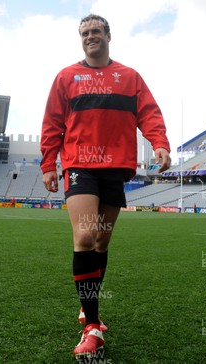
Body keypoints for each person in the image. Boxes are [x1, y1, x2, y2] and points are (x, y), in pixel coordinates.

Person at [40, 14, 171, 359]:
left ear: (108, 36)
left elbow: (149, 113)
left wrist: (159, 142)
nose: (90, 36)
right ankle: (92, 326)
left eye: (96, 31)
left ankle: (89, 306)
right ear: (80, 38)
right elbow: (52, 122)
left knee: (100, 240)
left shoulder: (129, 77)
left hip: (116, 167)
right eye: (84, 33)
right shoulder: (67, 77)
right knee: (84, 236)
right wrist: (47, 164)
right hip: (80, 164)